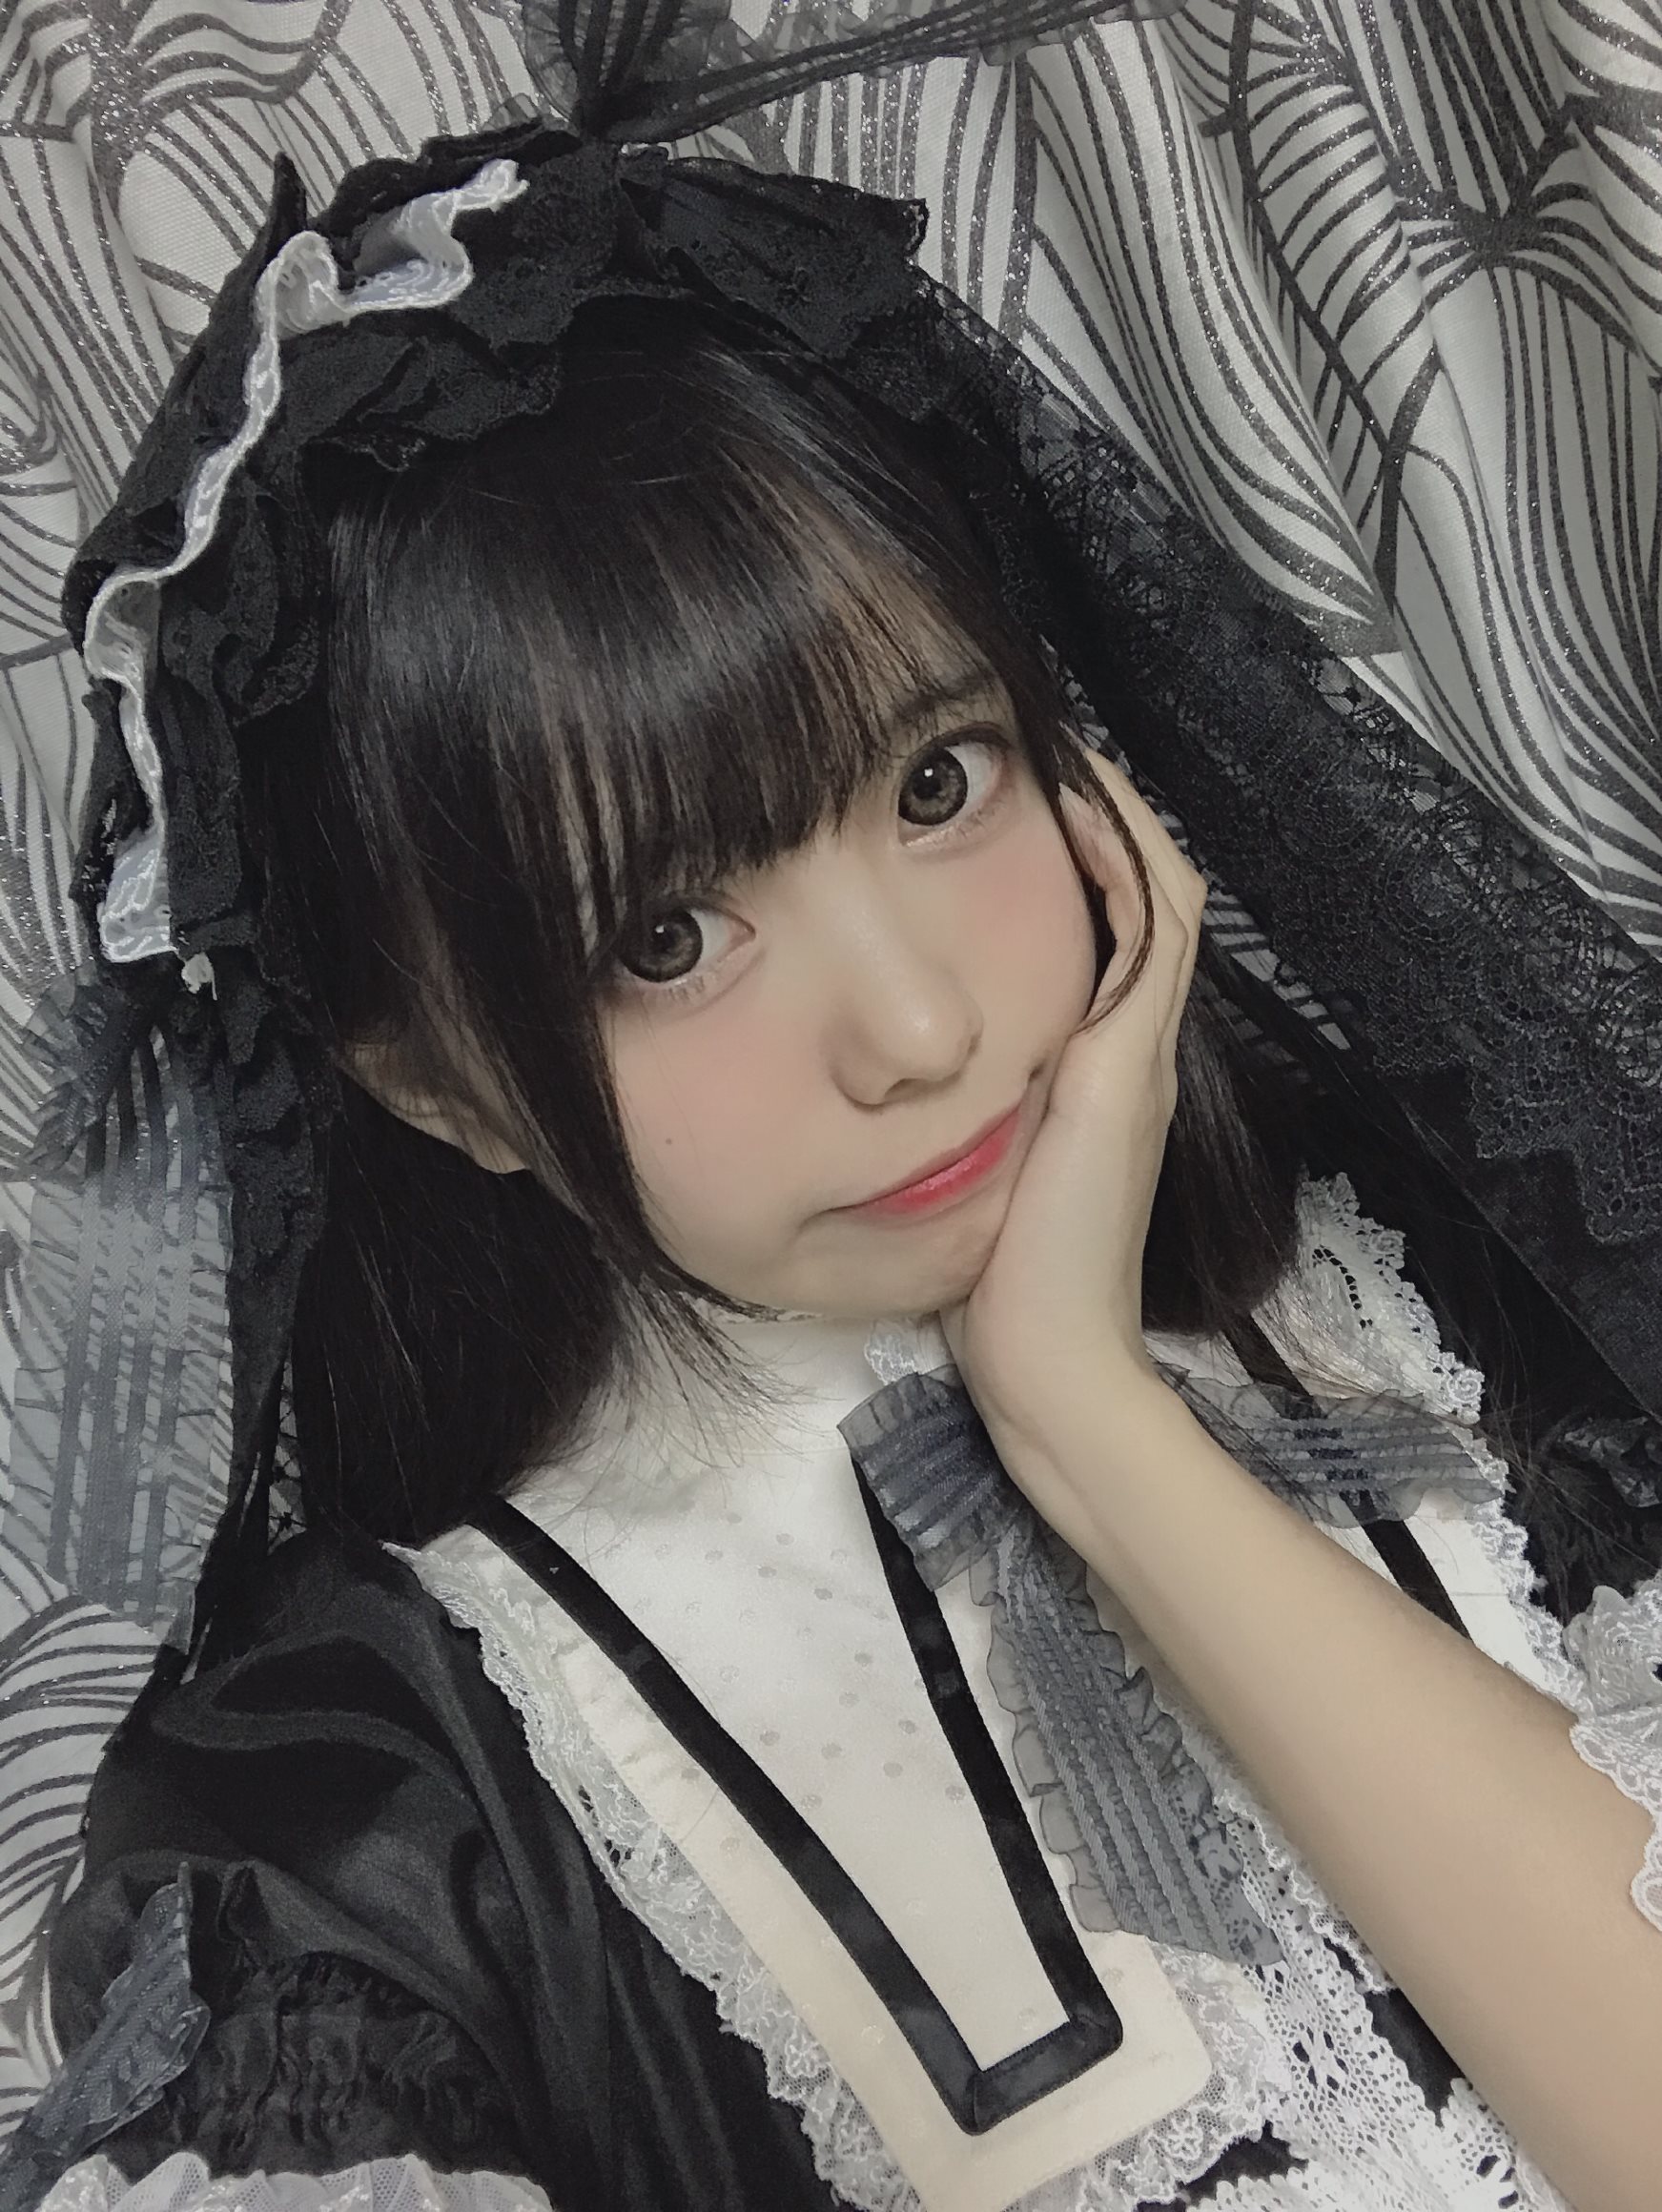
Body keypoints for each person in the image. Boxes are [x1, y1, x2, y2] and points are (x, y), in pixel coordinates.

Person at [7, 16, 1662, 2210]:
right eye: (663, 933)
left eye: (938, 777)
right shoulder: (368, 1832)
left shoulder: (1425, 1285)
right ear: (434, 1077)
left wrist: (1085, 1410)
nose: (911, 1024)